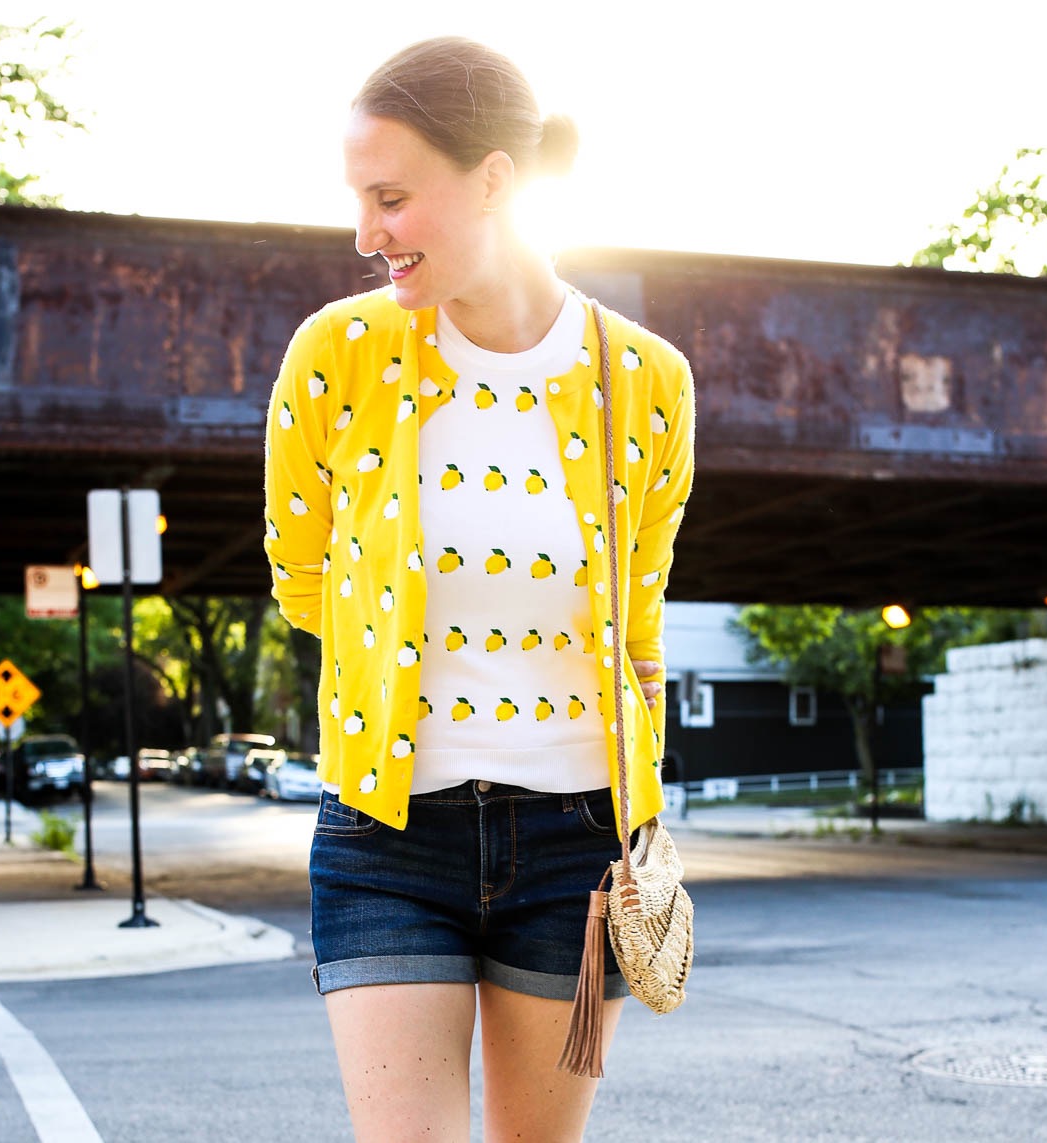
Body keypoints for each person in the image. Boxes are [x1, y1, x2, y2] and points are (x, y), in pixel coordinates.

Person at [264, 36, 695, 1142]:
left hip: (576, 843)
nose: (366, 235)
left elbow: (637, 622)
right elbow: (307, 583)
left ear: (496, 178)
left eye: (392, 197)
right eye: (358, 200)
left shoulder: (643, 381)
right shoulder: (335, 358)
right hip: (385, 834)